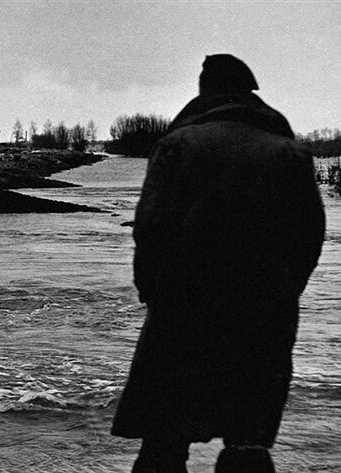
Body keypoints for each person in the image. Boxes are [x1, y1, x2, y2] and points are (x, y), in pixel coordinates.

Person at [111, 54, 326, 472]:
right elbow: (308, 236)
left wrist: (151, 289)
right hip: (265, 310)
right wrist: (284, 290)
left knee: (165, 438)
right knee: (248, 440)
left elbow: (150, 226)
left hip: (182, 306)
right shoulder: (289, 152)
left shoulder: (178, 144)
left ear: (205, 90)